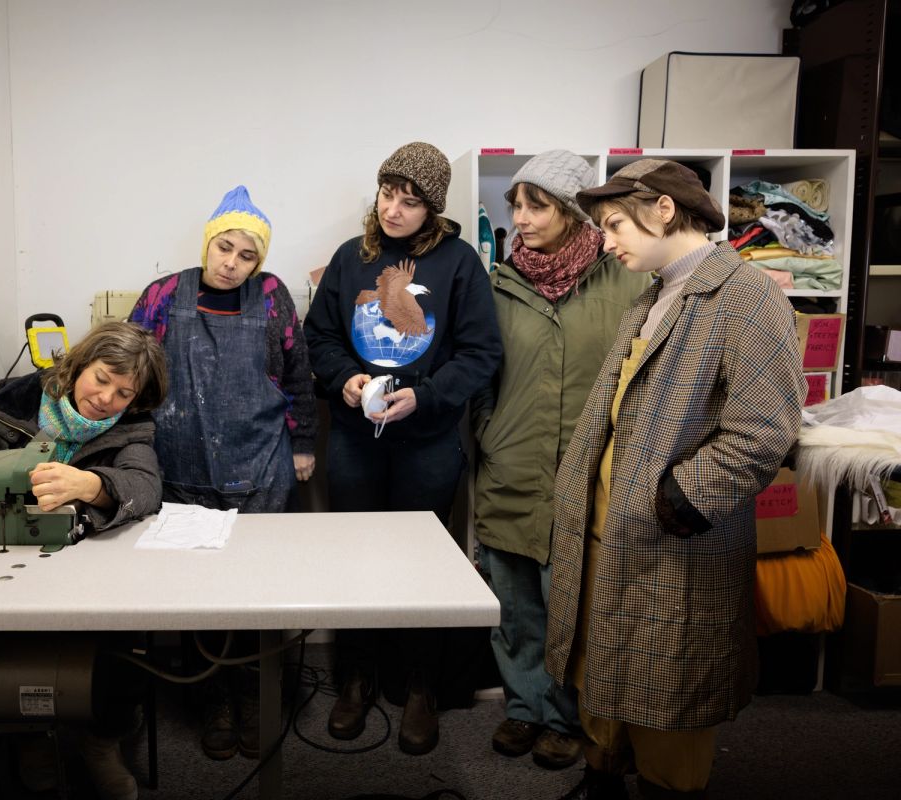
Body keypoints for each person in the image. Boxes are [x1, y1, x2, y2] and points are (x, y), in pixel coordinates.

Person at [544, 159, 805, 799]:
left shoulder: (746, 294)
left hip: (675, 540)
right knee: (600, 675)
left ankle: (668, 788)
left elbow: (766, 427)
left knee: (670, 690)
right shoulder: (659, 289)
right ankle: (601, 779)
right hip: (612, 528)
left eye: (612, 225)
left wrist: (680, 498)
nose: (605, 241)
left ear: (664, 209)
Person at [303, 141, 503, 755]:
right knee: (356, 556)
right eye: (389, 194)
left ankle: (419, 685)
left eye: (411, 202)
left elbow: (480, 354)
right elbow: (320, 339)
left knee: (422, 564)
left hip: (428, 440)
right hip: (357, 440)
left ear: (432, 209)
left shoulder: (459, 262)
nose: (394, 209)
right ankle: (356, 679)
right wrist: (345, 380)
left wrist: (428, 396)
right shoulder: (349, 258)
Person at [472, 150, 651, 771]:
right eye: (515, 205)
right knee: (515, 605)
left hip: (587, 471)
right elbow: (481, 372)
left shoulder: (627, 280)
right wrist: (487, 431)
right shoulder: (497, 284)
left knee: (573, 606)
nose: (520, 217)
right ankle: (523, 710)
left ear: (572, 211)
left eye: (536, 204)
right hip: (511, 466)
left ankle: (567, 717)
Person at [130, 184, 317, 761]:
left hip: (261, 466)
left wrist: (304, 442)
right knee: (202, 594)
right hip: (182, 469)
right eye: (225, 249)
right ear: (208, 243)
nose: (232, 264)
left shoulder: (273, 297)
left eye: (247, 255)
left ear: (260, 260)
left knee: (262, 590)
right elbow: (131, 370)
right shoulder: (163, 294)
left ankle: (261, 698)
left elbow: (297, 373)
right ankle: (215, 701)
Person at [0, 319, 169, 800]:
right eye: (101, 379)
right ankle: (31, 740)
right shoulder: (14, 406)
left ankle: (102, 743)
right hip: (14, 553)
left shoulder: (132, 428)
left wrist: (93, 485)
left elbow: (145, 489)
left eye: (123, 393)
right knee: (8, 640)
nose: (106, 399)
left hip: (91, 562)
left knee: (121, 638)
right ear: (79, 363)